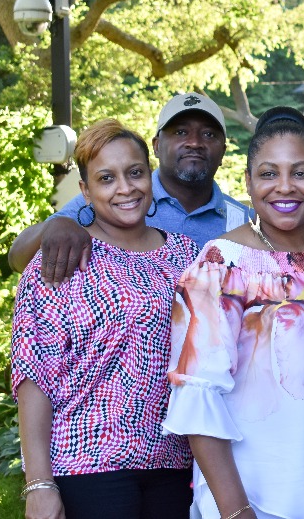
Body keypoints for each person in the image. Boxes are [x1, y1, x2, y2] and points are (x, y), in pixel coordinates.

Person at [162, 107, 304, 519]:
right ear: (248, 183)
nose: (285, 187)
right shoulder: (220, 264)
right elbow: (197, 396)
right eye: (269, 174)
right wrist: (236, 510)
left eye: (301, 173)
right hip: (254, 489)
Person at [11, 119, 199, 519]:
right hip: (87, 463)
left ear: (151, 175)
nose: (125, 188)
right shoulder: (63, 255)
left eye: (135, 173)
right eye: (106, 178)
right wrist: (39, 484)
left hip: (174, 462)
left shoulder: (188, 256)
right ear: (85, 190)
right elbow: (34, 375)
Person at [8, 92, 251, 286]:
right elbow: (19, 259)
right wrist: (55, 225)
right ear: (156, 146)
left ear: (223, 151)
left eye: (209, 134)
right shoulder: (116, 202)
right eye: (180, 132)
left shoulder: (245, 222)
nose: (195, 142)